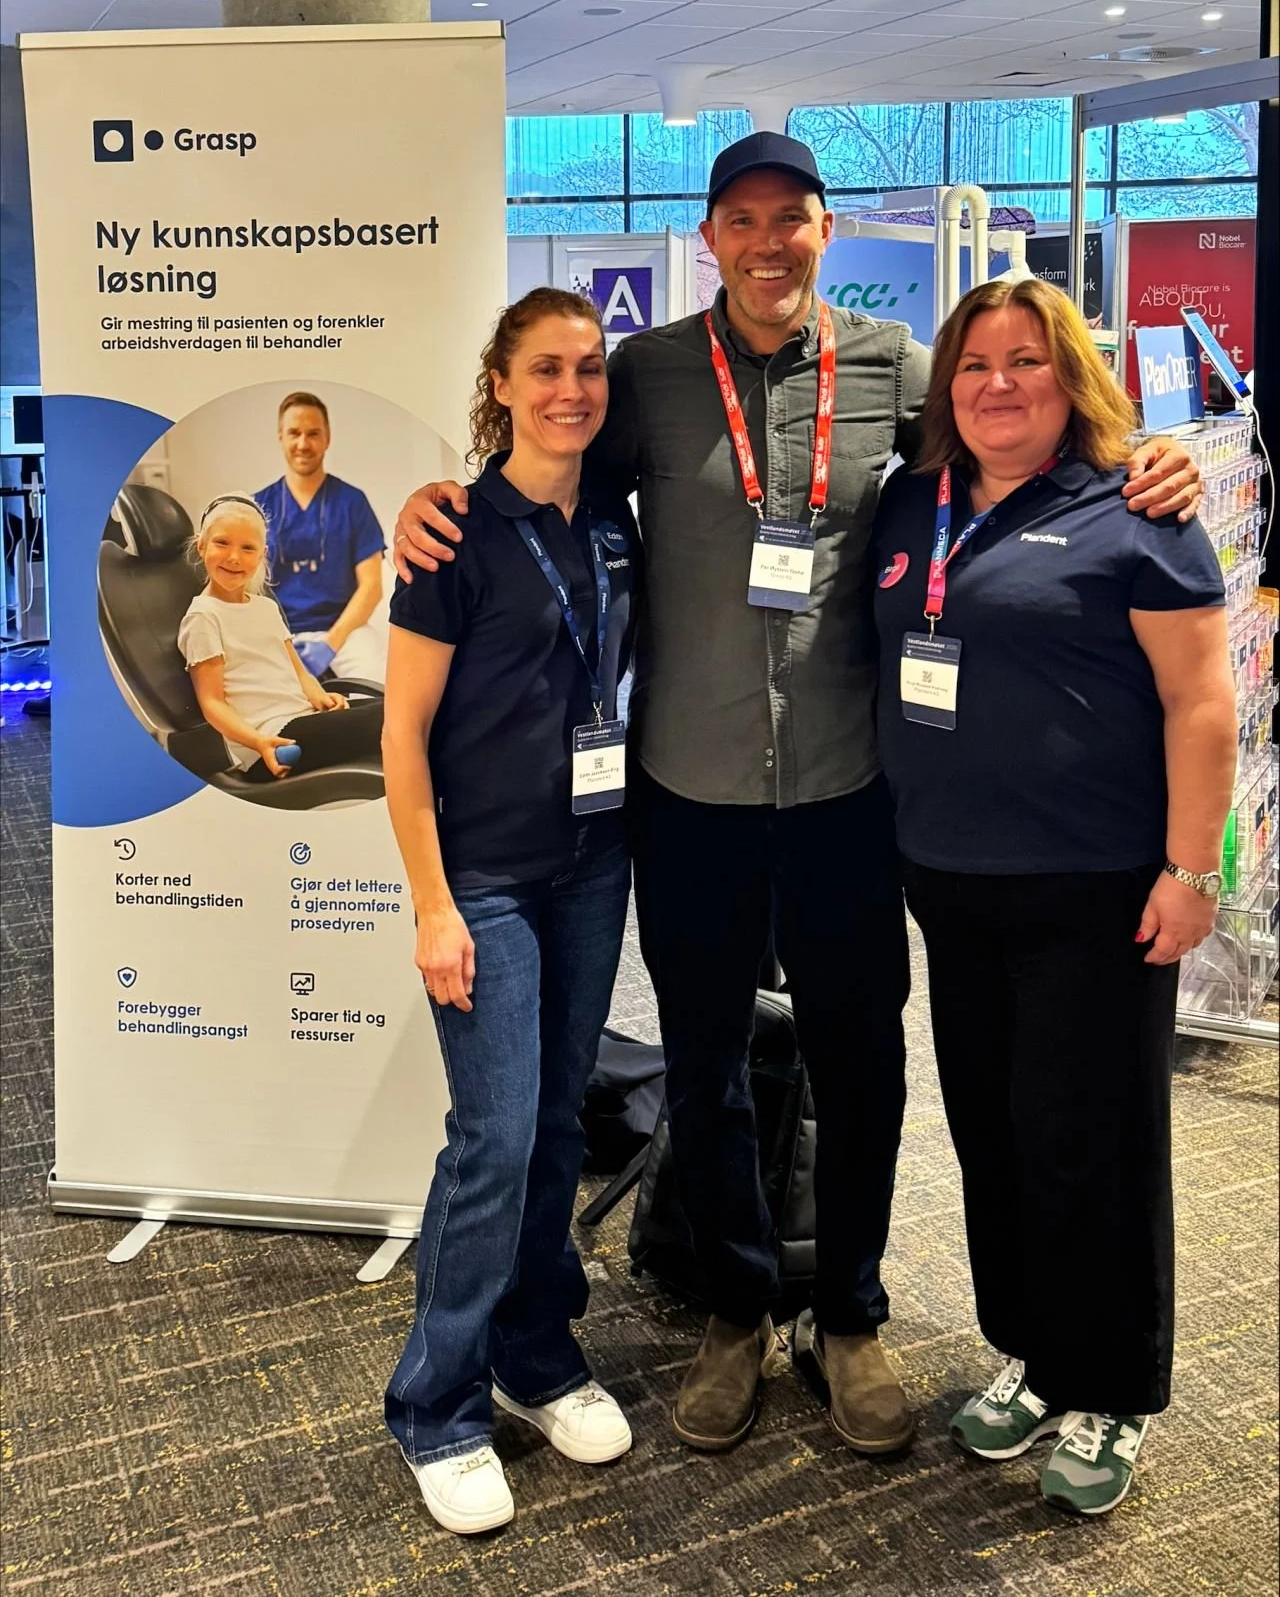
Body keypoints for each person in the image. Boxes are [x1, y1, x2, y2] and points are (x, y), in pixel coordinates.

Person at [391, 133, 1203, 1461]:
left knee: (860, 1054)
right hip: (687, 789)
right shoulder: (648, 374)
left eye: (794, 219)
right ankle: (733, 1304)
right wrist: (432, 500)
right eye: (742, 221)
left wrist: (1146, 460)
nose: (768, 243)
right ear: (708, 237)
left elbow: (1021, 437)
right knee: (705, 1061)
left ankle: (850, 1309)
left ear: (828, 233)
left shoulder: (894, 368)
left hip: (846, 788)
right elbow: (536, 485)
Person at [872, 277, 1235, 1516]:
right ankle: (1030, 1351)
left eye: (1024, 361)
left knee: (1096, 1141)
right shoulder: (907, 505)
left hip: (1095, 889)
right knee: (996, 1131)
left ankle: (1115, 1391)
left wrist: (1193, 872)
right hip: (950, 882)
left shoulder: (1134, 508)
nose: (996, 385)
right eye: (973, 365)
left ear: (1067, 375)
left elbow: (1200, 702)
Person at [381, 288, 640, 1535]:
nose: (571, 390)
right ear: (500, 382)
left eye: (588, 368)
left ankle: (535, 1358)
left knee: (549, 1128)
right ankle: (435, 1405)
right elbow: (400, 737)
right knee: (491, 1138)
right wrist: (432, 906)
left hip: (591, 865)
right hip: (481, 879)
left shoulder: (612, 520)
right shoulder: (451, 536)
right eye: (544, 369)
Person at [177, 495, 382, 781]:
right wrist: (259, 743)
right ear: (201, 545)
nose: (234, 557)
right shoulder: (203, 616)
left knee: (400, 709)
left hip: (303, 719)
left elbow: (299, 673)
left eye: (248, 548)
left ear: (262, 554)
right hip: (273, 742)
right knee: (393, 719)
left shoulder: (266, 607)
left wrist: (321, 697)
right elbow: (212, 704)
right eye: (222, 543)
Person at [255, 391, 387, 682]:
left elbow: (372, 587)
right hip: (278, 636)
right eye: (294, 433)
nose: (303, 444)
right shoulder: (257, 509)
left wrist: (329, 644)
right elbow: (247, 591)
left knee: (378, 687)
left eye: (313, 434)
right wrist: (280, 643)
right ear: (281, 438)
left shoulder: (352, 502)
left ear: (327, 439)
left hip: (346, 631)